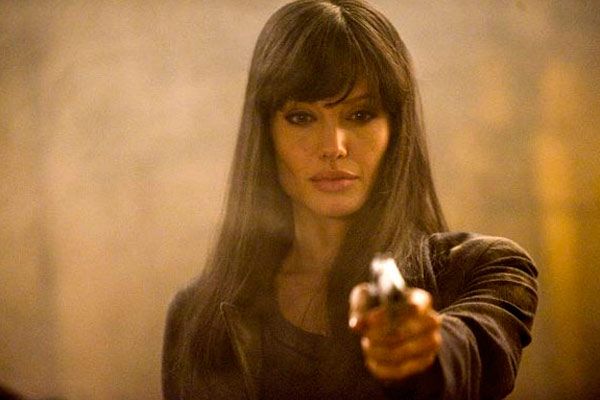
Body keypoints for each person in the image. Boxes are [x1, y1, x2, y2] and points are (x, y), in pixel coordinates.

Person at [161, 1, 538, 399]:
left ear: (396, 131)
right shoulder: (196, 316)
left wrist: (425, 349)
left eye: (360, 115)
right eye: (301, 117)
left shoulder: (484, 268)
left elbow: (474, 350)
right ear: (266, 134)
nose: (333, 146)